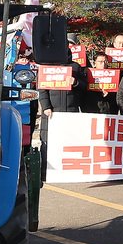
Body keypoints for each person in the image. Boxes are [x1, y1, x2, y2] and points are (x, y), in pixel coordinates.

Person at [37, 40, 87, 179]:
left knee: (70, 141)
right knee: (47, 142)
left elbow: (85, 86)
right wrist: (46, 107)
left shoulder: (76, 67)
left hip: (71, 111)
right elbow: (42, 89)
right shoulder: (46, 66)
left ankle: (67, 172)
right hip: (51, 112)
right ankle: (45, 172)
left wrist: (76, 82)